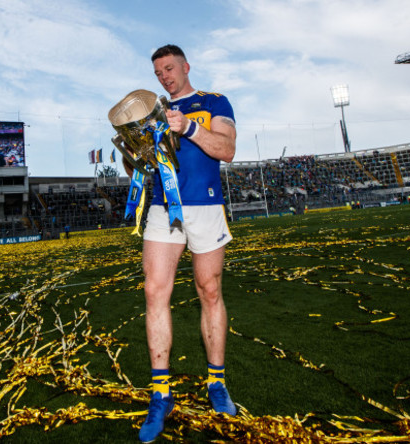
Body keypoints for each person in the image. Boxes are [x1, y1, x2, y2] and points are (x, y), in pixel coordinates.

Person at [130, 44, 237, 443]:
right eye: (158, 72)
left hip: (206, 206)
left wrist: (188, 127)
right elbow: (140, 165)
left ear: (186, 66)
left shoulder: (213, 101)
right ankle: (161, 394)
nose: (164, 77)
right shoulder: (152, 113)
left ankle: (216, 383)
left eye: (170, 68)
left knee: (209, 291)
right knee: (154, 291)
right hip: (162, 206)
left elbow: (226, 149)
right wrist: (135, 152)